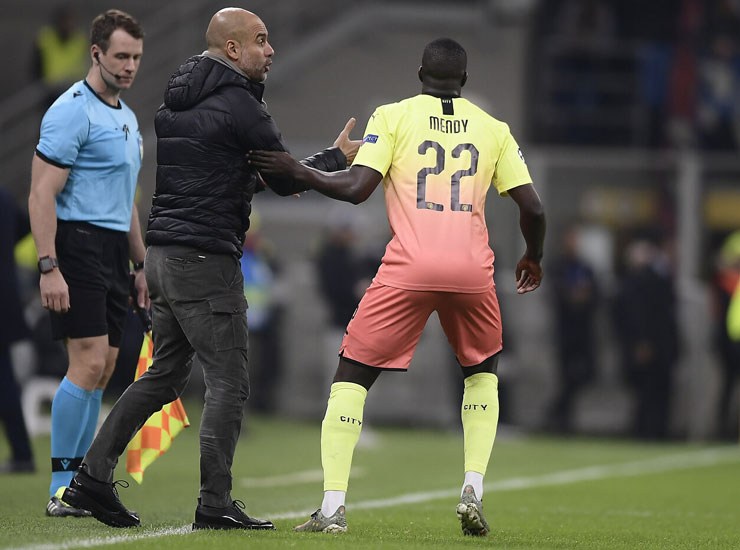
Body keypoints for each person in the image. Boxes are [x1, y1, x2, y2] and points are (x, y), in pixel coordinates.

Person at [62, 7, 360, 530]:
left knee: (164, 375)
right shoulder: (242, 106)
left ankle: (91, 479)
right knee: (229, 381)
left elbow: (252, 177)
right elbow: (285, 179)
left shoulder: (177, 100)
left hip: (161, 257)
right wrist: (335, 163)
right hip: (205, 260)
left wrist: (328, 159)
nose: (271, 51)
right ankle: (214, 501)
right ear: (231, 49)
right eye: (261, 41)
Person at [249, 37, 546, 536]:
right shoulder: (494, 129)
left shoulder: (392, 116)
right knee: (482, 375)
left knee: (350, 379)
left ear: (419, 74)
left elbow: (356, 189)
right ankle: (473, 485)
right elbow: (533, 208)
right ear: (465, 81)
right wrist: (533, 257)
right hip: (471, 269)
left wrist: (297, 170)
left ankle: (332, 507)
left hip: (410, 265)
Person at [27, 9, 147, 518]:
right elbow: (40, 193)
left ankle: (80, 480)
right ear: (95, 53)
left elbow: (127, 201)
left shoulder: (126, 114)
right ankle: (62, 485)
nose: (129, 66)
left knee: (105, 372)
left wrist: (141, 266)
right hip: (75, 246)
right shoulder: (71, 110)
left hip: (114, 250)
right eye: (121, 56)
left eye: (137, 58)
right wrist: (48, 264)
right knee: (89, 362)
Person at [612, 238, 679, 440]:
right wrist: (641, 341)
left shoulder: (651, 280)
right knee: (648, 391)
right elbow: (634, 316)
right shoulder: (638, 282)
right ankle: (647, 430)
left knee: (655, 390)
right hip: (650, 344)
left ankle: (652, 430)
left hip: (657, 344)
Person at [547, 225, 599, 433]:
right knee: (567, 374)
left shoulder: (585, 267)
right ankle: (562, 420)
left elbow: (596, 294)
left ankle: (557, 410)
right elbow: (557, 294)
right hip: (565, 332)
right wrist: (573, 297)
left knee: (586, 373)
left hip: (584, 332)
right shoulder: (558, 266)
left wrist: (584, 297)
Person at [0, 188, 35, 475]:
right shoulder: (5, 195)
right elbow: (26, 225)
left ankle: (23, 455)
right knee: (6, 380)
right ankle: (22, 452)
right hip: (6, 295)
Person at [31, 3, 88, 110]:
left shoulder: (80, 40)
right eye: (65, 21)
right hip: (49, 92)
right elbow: (35, 66)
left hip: (73, 92)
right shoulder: (45, 38)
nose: (68, 24)